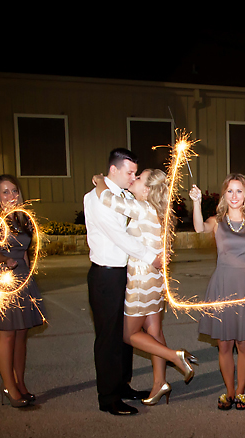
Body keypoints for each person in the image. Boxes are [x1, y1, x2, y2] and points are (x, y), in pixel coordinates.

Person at [92, 169, 197, 406]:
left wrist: (100, 181)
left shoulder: (142, 209)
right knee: (154, 332)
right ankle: (160, 383)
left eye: (139, 178)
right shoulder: (160, 213)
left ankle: (174, 356)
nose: (134, 178)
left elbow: (107, 199)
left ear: (148, 190)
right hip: (155, 279)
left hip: (140, 279)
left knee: (127, 335)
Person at [84, 148, 160, 416]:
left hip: (125, 273)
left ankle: (122, 384)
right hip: (106, 274)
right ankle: (108, 397)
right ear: (113, 170)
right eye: (130, 172)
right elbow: (120, 237)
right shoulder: (95, 199)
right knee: (108, 337)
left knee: (124, 333)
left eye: (135, 173)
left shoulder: (124, 195)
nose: (134, 177)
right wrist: (152, 257)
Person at [189, 173, 245, 410]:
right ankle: (229, 392)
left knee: (243, 344)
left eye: (239, 191)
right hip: (221, 285)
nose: (234, 196)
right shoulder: (217, 221)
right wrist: (196, 203)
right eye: (230, 191)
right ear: (224, 194)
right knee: (224, 344)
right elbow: (198, 228)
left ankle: (242, 392)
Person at [0, 174, 44, 408]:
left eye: (14, 191)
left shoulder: (24, 218)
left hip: (22, 278)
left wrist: (28, 273)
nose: (11, 196)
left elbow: (26, 250)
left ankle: (20, 383)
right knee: (7, 335)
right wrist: (6, 260)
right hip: (2, 278)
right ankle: (8, 386)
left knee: (21, 334)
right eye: (5, 192)